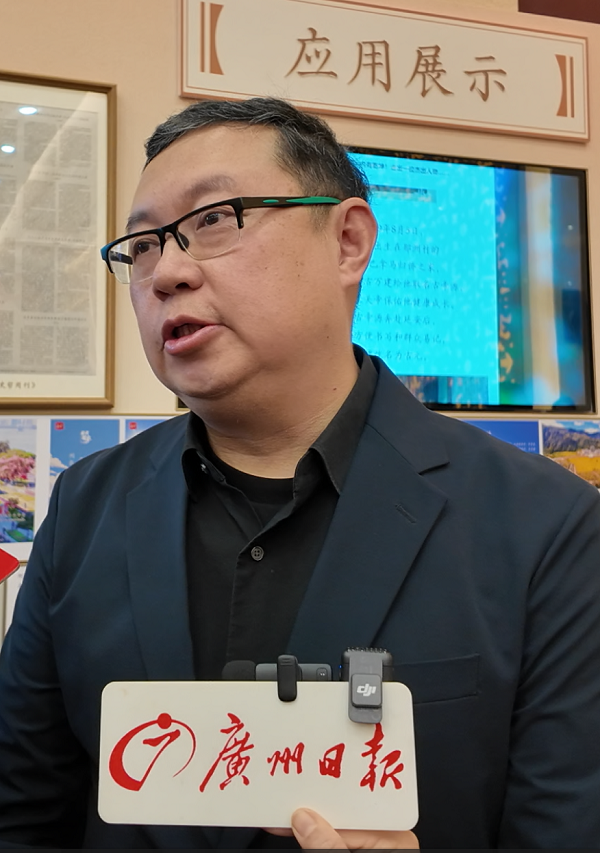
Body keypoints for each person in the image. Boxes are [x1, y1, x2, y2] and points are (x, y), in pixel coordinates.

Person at [0, 96, 599, 850]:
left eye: (215, 219)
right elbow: (23, 811)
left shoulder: (548, 526)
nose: (166, 273)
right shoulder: (86, 504)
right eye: (143, 245)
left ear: (347, 242)